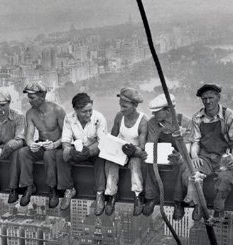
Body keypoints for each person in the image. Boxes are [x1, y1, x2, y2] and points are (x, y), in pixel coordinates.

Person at [185, 83, 233, 221]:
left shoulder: (230, 116)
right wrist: (194, 156)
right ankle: (198, 205)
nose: (208, 101)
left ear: (218, 97)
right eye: (204, 99)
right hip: (206, 155)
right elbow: (196, 141)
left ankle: (218, 208)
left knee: (225, 178)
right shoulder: (197, 118)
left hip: (225, 155)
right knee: (194, 173)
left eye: (211, 97)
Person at [142, 93, 191, 217]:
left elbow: (188, 148)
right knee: (148, 162)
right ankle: (151, 197)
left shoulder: (185, 122)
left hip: (179, 154)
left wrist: (179, 155)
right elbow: (151, 142)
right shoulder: (153, 123)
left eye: (156, 112)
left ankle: (178, 201)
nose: (153, 114)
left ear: (168, 110)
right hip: (161, 153)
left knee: (183, 165)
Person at [19, 81, 66, 208]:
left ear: (42, 97)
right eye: (28, 97)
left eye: (32, 97)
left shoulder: (58, 110)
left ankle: (52, 189)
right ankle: (29, 186)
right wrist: (30, 144)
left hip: (56, 146)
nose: (29, 100)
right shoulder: (30, 113)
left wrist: (55, 144)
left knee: (48, 155)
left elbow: (67, 135)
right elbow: (29, 134)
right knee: (23, 152)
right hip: (42, 144)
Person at [60, 92, 108, 212]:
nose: (88, 114)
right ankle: (69, 189)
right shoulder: (69, 118)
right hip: (77, 149)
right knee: (61, 156)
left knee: (101, 158)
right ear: (76, 110)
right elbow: (65, 140)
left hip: (94, 150)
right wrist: (70, 151)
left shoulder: (99, 118)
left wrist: (89, 151)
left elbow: (102, 142)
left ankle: (99, 193)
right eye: (84, 112)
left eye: (90, 110)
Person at [104, 87, 148, 216]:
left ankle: (138, 195)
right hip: (121, 149)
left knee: (135, 164)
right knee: (110, 163)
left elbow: (142, 145)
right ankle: (111, 195)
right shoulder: (119, 116)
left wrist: (134, 150)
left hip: (134, 151)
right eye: (120, 106)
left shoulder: (142, 120)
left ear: (134, 106)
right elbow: (113, 136)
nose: (121, 109)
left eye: (125, 107)